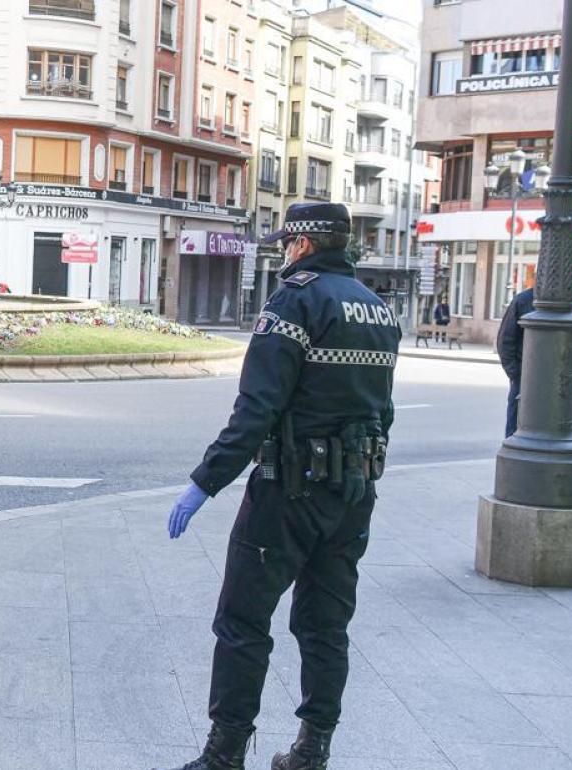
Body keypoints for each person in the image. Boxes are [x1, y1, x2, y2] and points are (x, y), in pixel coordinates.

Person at [156, 203, 401, 770]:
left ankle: (224, 754)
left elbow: (257, 409)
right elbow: (382, 413)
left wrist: (204, 483)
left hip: (287, 491)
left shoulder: (295, 300)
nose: (284, 253)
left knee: (243, 622)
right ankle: (312, 749)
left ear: (304, 245)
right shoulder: (378, 309)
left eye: (287, 243)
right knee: (326, 624)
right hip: (353, 492)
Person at [496, 288, 572, 438]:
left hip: (555, 375)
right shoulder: (523, 300)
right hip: (527, 374)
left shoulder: (566, 302)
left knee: (551, 420)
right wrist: (516, 374)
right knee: (518, 420)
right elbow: (505, 340)